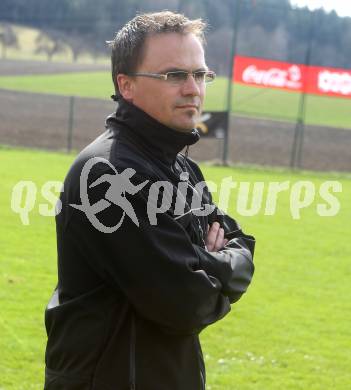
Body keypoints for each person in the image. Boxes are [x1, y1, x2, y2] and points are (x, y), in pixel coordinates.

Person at [44, 11, 255, 390]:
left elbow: (243, 246)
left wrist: (202, 265)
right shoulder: (107, 173)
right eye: (174, 75)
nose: (193, 89)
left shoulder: (181, 167)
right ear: (126, 85)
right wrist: (210, 266)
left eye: (200, 74)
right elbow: (186, 305)